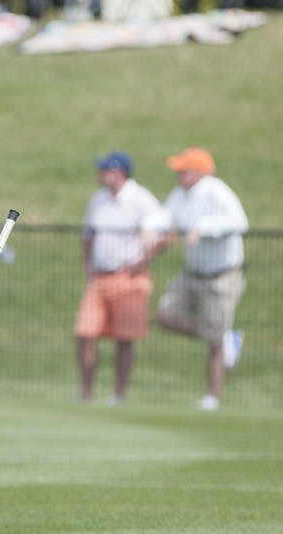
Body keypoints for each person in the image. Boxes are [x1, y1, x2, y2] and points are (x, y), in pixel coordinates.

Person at [156, 147, 247, 412]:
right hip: (192, 272)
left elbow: (239, 221)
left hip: (221, 276)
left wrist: (204, 228)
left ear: (197, 172)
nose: (177, 175)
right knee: (165, 316)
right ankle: (224, 337)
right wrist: (149, 229)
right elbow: (166, 217)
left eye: (182, 171)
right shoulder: (179, 195)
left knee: (214, 342)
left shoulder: (216, 191)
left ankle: (212, 397)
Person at [74, 151, 169, 405]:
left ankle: (119, 395)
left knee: (124, 339)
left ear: (119, 172)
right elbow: (88, 235)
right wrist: (89, 265)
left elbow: (167, 232)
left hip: (129, 277)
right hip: (100, 277)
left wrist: (144, 258)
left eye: (105, 170)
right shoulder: (98, 200)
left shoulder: (140, 199)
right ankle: (85, 393)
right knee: (85, 332)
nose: (101, 174)